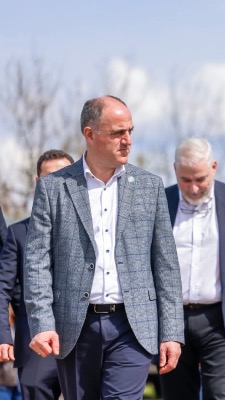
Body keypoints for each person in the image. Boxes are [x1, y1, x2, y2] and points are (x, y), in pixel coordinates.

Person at [24, 95, 185, 399]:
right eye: (117, 133)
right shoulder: (54, 187)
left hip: (133, 326)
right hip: (74, 326)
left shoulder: (149, 186)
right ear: (90, 134)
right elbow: (37, 262)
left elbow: (166, 264)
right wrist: (42, 323)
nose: (128, 140)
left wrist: (172, 332)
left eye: (130, 131)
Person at [160, 138, 225, 400]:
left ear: (214, 167)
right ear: (175, 170)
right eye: (185, 180)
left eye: (200, 179)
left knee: (221, 396)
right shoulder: (159, 202)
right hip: (171, 322)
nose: (193, 188)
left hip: (222, 321)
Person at [0, 150, 74, 399]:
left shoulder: (96, 230)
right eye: (50, 177)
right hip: (34, 347)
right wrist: (3, 336)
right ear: (37, 181)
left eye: (65, 176)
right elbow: (2, 289)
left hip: (84, 343)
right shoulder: (17, 233)